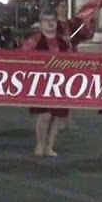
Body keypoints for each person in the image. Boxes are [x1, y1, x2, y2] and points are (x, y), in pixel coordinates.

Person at [22, 10, 71, 156]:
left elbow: (73, 60)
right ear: (41, 23)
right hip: (41, 82)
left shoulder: (64, 42)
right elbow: (23, 59)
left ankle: (50, 146)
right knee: (44, 115)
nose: (50, 23)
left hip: (60, 82)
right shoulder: (33, 41)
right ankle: (40, 144)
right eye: (46, 20)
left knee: (56, 116)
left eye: (53, 20)